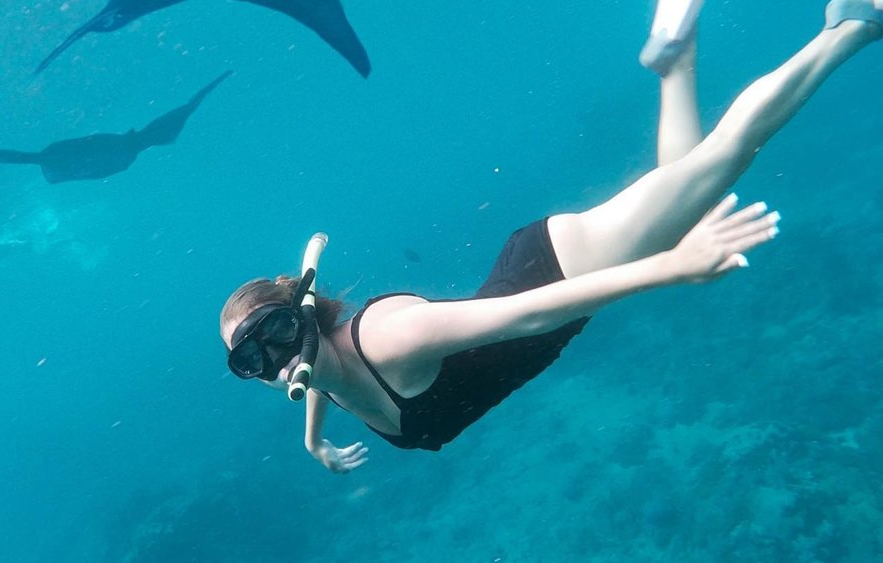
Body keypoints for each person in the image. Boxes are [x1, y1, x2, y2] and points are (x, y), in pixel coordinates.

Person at [220, 0, 882, 473]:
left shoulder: (391, 340)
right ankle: (676, 51)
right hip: (553, 281)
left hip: (559, 271)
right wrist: (316, 444)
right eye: (251, 360)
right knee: (686, 187)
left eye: (272, 336)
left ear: (300, 314)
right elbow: (319, 388)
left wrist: (676, 269)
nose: (275, 362)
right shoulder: (316, 379)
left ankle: (852, 25)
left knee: (724, 160)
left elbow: (532, 312)